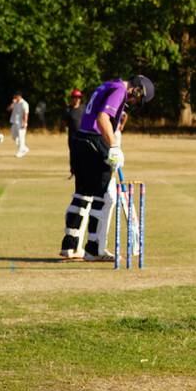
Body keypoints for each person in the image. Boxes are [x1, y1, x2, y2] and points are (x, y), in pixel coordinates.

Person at [59, 75, 154, 261]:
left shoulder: (109, 85)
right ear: (137, 89)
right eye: (137, 98)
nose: (134, 102)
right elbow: (103, 118)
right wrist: (114, 147)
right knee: (103, 197)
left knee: (82, 194)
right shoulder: (120, 90)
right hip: (95, 140)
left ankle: (69, 246)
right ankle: (94, 250)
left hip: (81, 140)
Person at [8, 91, 31, 157]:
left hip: (21, 123)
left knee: (21, 138)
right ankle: (24, 148)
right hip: (14, 121)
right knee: (14, 137)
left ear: (19, 96)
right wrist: (12, 104)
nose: (15, 97)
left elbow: (26, 114)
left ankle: (20, 152)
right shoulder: (15, 103)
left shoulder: (24, 103)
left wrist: (25, 122)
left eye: (16, 96)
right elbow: (9, 109)